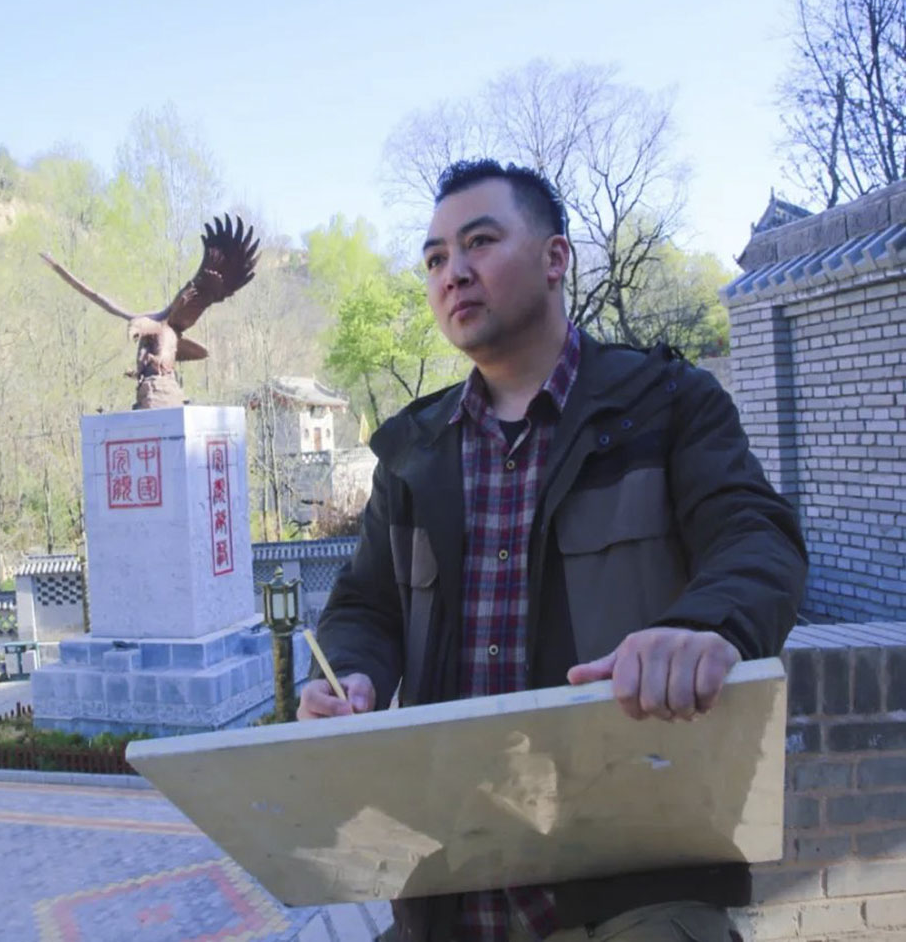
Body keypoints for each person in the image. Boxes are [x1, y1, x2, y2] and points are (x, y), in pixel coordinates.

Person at [297, 159, 807, 942]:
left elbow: (755, 534)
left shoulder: (667, 406)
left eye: (479, 242)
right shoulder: (412, 451)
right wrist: (350, 674)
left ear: (554, 258)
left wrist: (706, 626)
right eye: (434, 258)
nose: (452, 272)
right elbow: (366, 605)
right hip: (451, 886)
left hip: (632, 876)